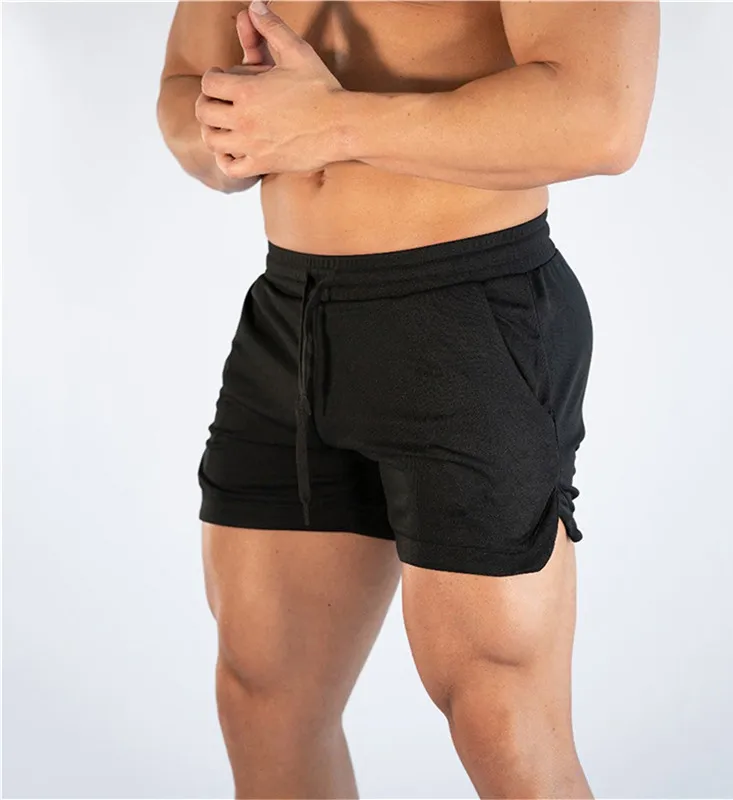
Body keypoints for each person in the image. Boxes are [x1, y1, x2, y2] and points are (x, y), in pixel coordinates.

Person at [156, 1, 658, 796]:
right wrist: (234, 132)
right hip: (293, 314)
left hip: (465, 308)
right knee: (264, 694)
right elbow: (185, 85)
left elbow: (601, 114)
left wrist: (331, 125)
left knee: (498, 712)